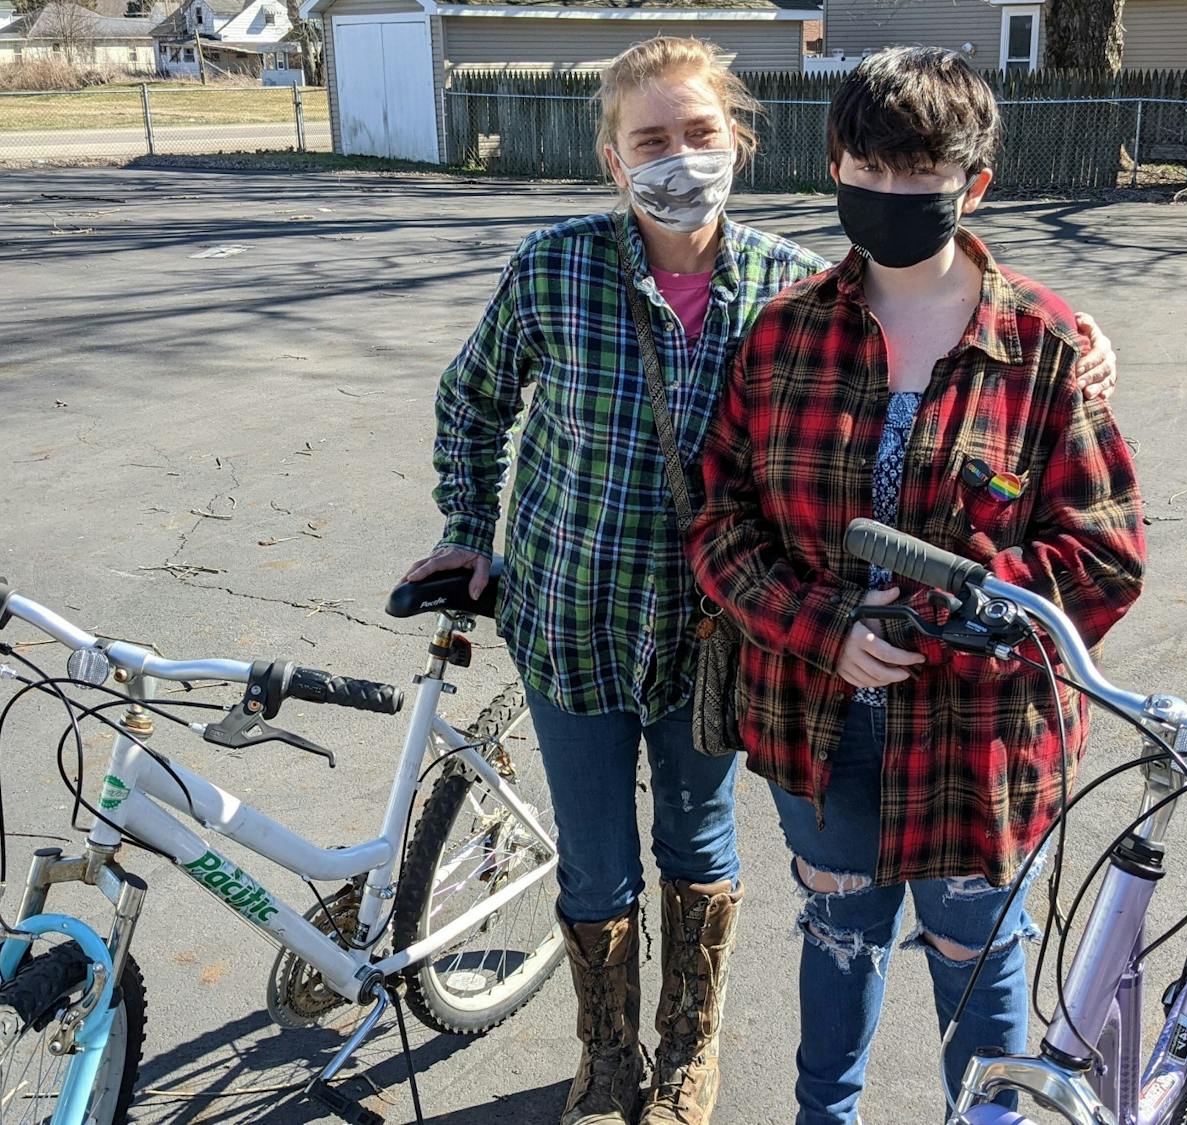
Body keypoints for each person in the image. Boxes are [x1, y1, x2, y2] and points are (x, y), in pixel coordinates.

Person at [402, 36, 1122, 1125]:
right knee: (599, 868)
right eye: (650, 140)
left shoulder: (789, 286)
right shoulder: (557, 270)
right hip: (574, 620)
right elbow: (475, 401)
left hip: (721, 645)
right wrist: (471, 529)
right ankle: (608, 1059)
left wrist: (1076, 340)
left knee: (701, 848)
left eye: (699, 134)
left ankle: (689, 1059)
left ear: (740, 142)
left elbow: (947, 315)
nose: (677, 158)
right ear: (611, 158)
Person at [686, 46, 1148, 1125]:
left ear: (973, 184)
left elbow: (1103, 555)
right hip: (820, 727)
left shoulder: (1044, 347)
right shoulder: (784, 335)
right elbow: (719, 520)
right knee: (839, 942)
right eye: (867, 169)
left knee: (976, 968)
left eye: (920, 174)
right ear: (836, 166)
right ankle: (823, 1115)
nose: (889, 195)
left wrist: (932, 623)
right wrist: (825, 627)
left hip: (980, 743)